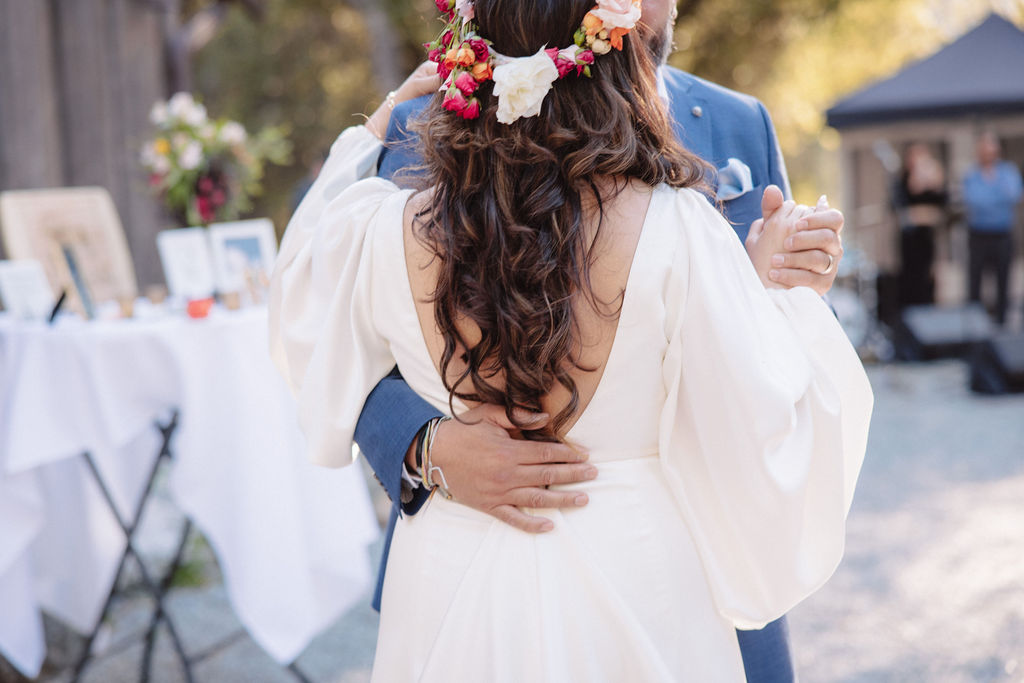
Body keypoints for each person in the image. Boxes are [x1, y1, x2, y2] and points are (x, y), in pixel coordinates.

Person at [271, 1, 872, 680]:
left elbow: (298, 295)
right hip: (637, 569)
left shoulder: (378, 228)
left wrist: (368, 128)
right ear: (610, 50)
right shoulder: (680, 229)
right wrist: (779, 302)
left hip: (448, 570)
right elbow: (761, 426)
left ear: (476, 42)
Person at [963, 131, 1023, 326]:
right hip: (979, 234)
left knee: (1003, 281)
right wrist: (997, 197)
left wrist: (989, 197)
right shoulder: (972, 174)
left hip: (1002, 234)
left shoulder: (1008, 171)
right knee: (975, 282)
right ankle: (974, 324)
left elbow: (1014, 195)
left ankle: (1001, 323)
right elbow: (973, 200)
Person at [898, 143, 947, 307]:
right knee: (911, 275)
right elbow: (905, 211)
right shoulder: (904, 181)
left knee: (929, 274)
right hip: (910, 238)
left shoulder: (934, 182)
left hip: (927, 236)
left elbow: (940, 207)